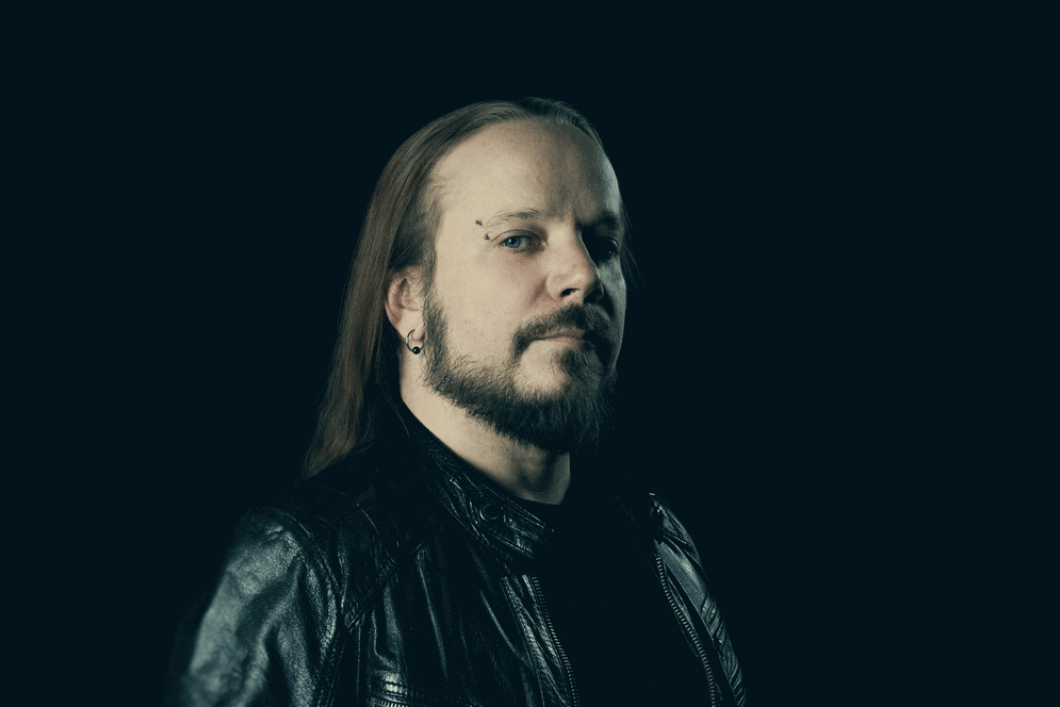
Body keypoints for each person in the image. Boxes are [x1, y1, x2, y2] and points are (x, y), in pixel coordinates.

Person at [166, 98, 745, 706]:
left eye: (601, 243)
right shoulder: (305, 569)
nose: (584, 275)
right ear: (408, 302)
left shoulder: (662, 546)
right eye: (518, 239)